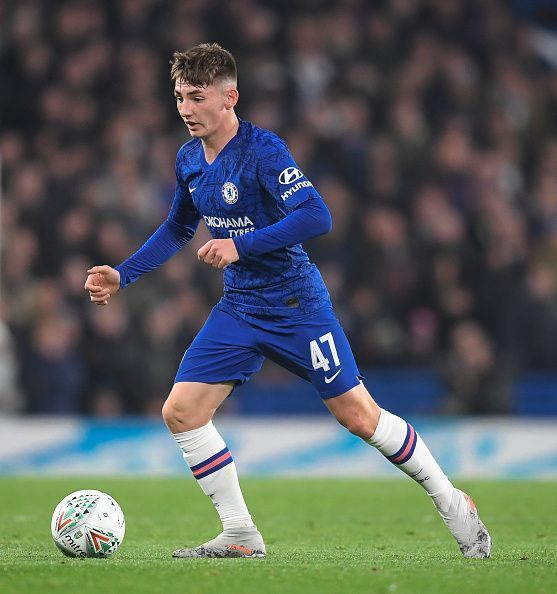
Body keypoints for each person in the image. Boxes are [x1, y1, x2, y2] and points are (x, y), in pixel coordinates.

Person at [84, 43, 491, 559]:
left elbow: (317, 215)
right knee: (182, 412)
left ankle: (452, 501)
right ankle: (240, 535)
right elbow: (178, 227)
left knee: (359, 417)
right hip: (240, 307)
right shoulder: (189, 158)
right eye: (179, 97)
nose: (185, 109)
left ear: (230, 97)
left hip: (296, 303)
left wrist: (241, 244)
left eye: (196, 97)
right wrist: (124, 274)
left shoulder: (263, 150)